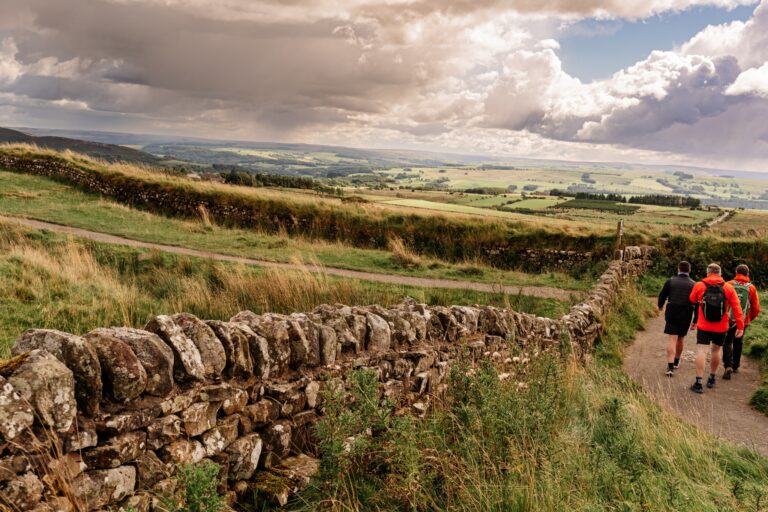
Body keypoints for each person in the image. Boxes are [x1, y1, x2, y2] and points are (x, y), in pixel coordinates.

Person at [688, 263, 744, 394]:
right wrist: (740, 326)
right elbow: (737, 307)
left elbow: (692, 299)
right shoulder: (728, 288)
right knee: (716, 351)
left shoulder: (699, 285)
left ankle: (698, 383)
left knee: (702, 351)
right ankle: (712, 378)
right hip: (721, 326)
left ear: (707, 273)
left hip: (703, 325)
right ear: (720, 274)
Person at [657, 261, 696, 376]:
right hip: (687, 312)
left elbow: (662, 295)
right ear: (689, 270)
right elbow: (698, 302)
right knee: (680, 338)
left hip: (672, 311)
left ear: (678, 269)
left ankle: (669, 368)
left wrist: (660, 306)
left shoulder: (671, 281)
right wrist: (695, 320)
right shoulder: (694, 284)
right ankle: (676, 361)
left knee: (672, 339)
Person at [722, 264, 760, 380]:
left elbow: (723, 302)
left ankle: (727, 365)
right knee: (738, 341)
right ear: (747, 274)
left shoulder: (728, 284)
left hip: (728, 319)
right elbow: (756, 308)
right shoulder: (751, 288)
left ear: (736, 273)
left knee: (727, 341)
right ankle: (735, 365)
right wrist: (747, 319)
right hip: (743, 320)